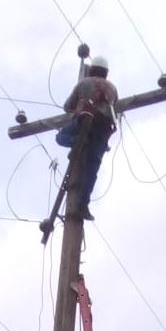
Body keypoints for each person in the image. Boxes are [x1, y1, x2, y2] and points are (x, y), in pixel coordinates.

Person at [56, 55, 118, 221]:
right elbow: (115, 110)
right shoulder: (112, 89)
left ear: (91, 70)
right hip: (102, 131)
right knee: (92, 169)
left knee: (60, 137)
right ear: (106, 73)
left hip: (84, 122)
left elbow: (67, 106)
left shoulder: (84, 84)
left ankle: (77, 141)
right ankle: (83, 204)